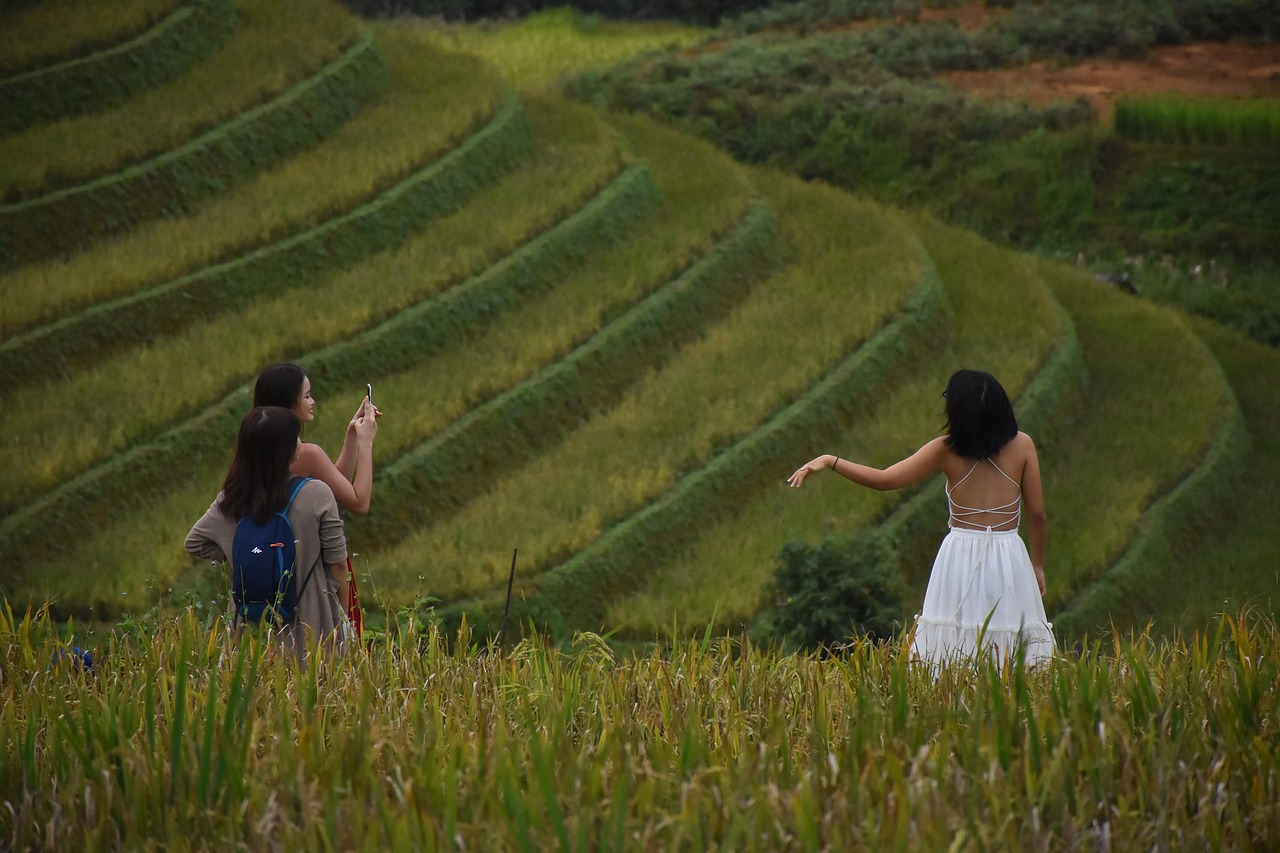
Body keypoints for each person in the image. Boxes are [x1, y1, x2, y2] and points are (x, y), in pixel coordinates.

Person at [787, 369, 1055, 665]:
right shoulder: (1023, 445)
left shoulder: (945, 450)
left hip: (959, 554)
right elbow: (1037, 514)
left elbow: (885, 479)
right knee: (1011, 638)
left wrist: (830, 460)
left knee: (952, 644)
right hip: (1009, 554)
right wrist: (1038, 565)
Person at [186, 407, 351, 660]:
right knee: (314, 695)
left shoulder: (231, 498)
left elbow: (194, 543)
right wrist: (344, 617)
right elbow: (338, 562)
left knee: (253, 694)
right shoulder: (317, 494)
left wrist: (242, 550)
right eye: (296, 437)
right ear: (284, 449)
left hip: (249, 634)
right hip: (310, 627)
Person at [253, 363, 379, 638]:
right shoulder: (306, 453)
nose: (313, 401)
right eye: (307, 396)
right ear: (289, 403)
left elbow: (329, 489)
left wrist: (351, 438)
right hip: (319, 572)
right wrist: (367, 443)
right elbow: (359, 501)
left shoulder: (262, 450)